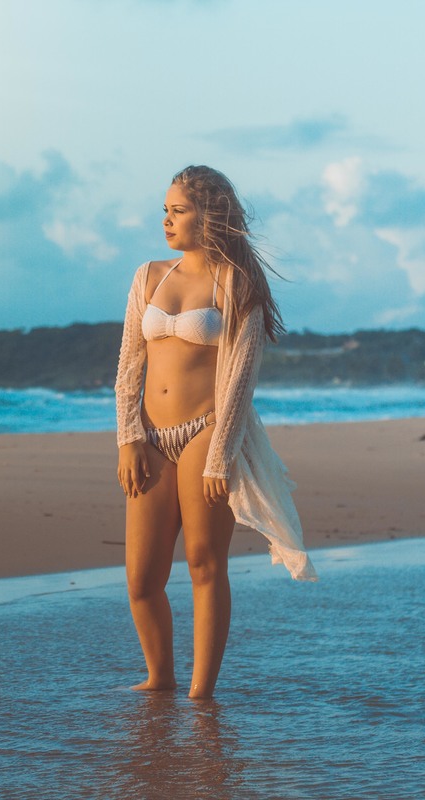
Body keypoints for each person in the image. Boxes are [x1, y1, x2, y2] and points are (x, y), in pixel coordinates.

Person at [115, 165, 318, 700]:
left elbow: (240, 378)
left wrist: (218, 457)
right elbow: (129, 366)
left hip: (209, 429)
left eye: (178, 211)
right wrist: (128, 437)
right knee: (141, 578)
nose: (166, 220)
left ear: (211, 215)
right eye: (165, 210)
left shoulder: (237, 282)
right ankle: (160, 677)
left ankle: (201, 692)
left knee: (204, 564)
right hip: (152, 438)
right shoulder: (148, 276)